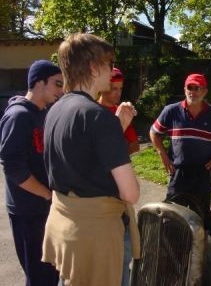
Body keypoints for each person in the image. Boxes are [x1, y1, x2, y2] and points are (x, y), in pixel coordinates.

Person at [41, 33, 141, 286]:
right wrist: (113, 128)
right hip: (96, 236)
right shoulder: (98, 117)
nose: (112, 71)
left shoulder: (55, 109)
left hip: (68, 228)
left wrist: (116, 127)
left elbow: (82, 159)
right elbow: (130, 193)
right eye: (108, 64)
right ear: (93, 68)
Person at [0, 60, 63, 286]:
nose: (61, 90)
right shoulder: (19, 116)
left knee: (50, 273)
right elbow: (13, 167)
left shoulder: (42, 113)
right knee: (38, 276)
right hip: (27, 212)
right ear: (39, 82)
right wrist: (47, 195)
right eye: (57, 84)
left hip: (44, 209)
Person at [149, 73, 211, 230]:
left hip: (203, 172)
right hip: (178, 172)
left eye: (198, 88)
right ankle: (172, 247)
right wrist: (162, 154)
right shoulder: (171, 111)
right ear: (185, 89)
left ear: (204, 92)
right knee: (173, 214)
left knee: (201, 215)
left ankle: (204, 249)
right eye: (190, 87)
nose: (193, 92)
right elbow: (154, 132)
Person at [99, 67, 138, 286]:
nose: (117, 94)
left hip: (120, 181)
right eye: (113, 88)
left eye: (120, 89)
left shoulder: (120, 110)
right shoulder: (94, 111)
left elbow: (133, 145)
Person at [98, 67, 140, 155]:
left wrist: (116, 155)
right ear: (103, 88)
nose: (119, 93)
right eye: (114, 89)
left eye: (120, 89)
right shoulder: (90, 110)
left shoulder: (122, 111)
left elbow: (135, 145)